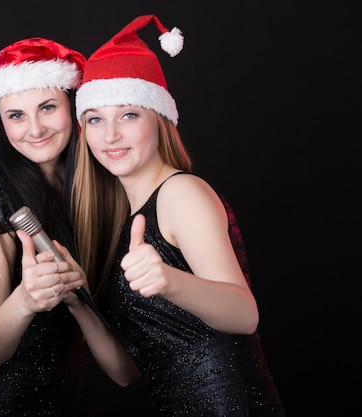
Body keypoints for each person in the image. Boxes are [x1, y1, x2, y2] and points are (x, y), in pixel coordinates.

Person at [69, 14, 287, 416]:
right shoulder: (125, 218)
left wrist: (169, 280)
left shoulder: (180, 193)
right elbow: (125, 372)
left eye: (129, 115)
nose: (110, 135)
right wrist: (77, 299)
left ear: (161, 119)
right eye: (96, 119)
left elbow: (244, 313)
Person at [0, 37, 91, 416]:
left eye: (47, 107)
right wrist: (25, 301)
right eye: (16, 115)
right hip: (2, 406)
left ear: (73, 105)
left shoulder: (97, 184)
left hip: (72, 398)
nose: (35, 129)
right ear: (1, 123)